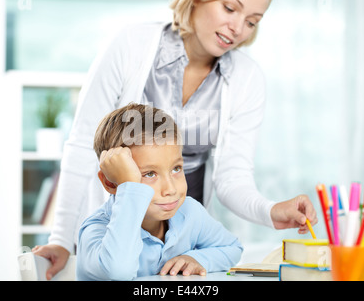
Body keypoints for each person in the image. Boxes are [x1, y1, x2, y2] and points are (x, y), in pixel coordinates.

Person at [33, 0, 318, 280]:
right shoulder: (132, 44)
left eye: (251, 22)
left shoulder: (247, 79)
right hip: (123, 226)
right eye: (230, 8)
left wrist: (270, 211)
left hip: (176, 234)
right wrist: (61, 239)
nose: (238, 28)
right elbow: (82, 146)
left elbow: (232, 176)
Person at [76, 103, 243, 280]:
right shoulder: (96, 231)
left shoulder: (189, 212)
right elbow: (119, 271)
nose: (171, 189)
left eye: (176, 169)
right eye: (149, 173)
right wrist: (130, 189)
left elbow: (232, 247)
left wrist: (196, 258)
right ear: (111, 183)